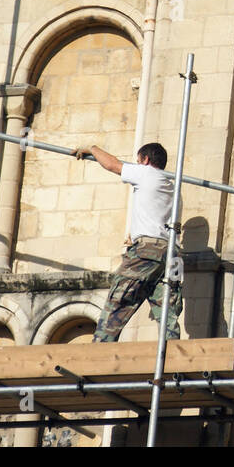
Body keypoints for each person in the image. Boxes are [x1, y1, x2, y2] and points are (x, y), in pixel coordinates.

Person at [75, 141, 183, 342]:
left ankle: (100, 348)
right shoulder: (171, 186)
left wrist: (92, 148)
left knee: (119, 298)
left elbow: (112, 165)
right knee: (166, 308)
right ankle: (172, 357)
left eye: (138, 161)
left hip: (148, 250)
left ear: (146, 160)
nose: (136, 164)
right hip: (171, 253)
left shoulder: (146, 173)